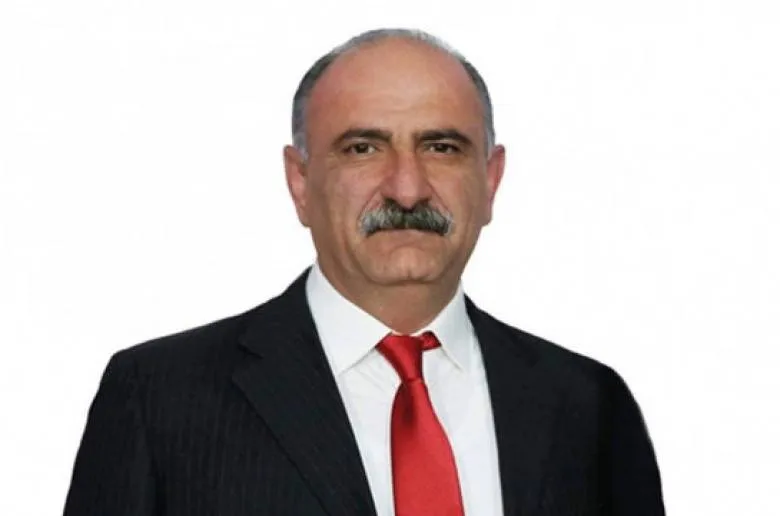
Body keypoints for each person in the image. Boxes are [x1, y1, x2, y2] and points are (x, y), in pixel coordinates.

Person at [63, 28, 665, 516]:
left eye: (441, 147)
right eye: (363, 148)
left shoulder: (589, 406)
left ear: (490, 180)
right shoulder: (160, 400)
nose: (407, 188)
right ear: (301, 182)